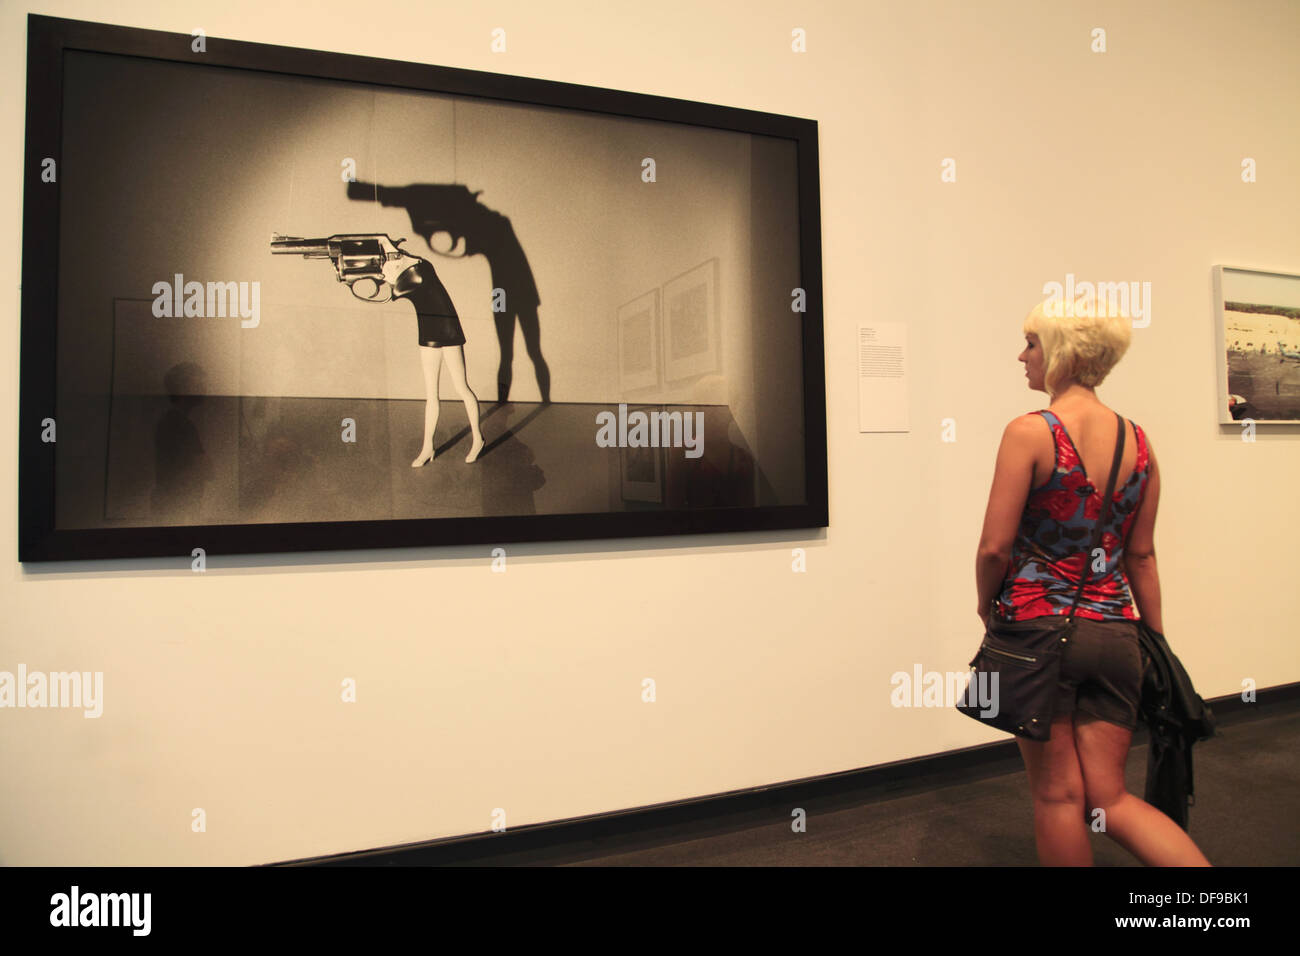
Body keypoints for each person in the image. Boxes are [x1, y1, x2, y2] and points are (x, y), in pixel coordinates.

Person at [974, 297, 1210, 866]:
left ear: (1060, 353)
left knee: (1058, 797)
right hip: (1116, 634)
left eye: (1031, 343)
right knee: (1111, 799)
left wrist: (988, 608)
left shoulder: (1030, 433)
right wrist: (1154, 641)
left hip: (1038, 631)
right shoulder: (1140, 441)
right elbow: (1143, 556)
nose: (1021, 356)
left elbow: (994, 548)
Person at [375, 251, 485, 465]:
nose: (391, 266)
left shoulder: (420, 270)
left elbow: (400, 289)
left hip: (448, 329)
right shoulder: (412, 270)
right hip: (428, 331)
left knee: (461, 387)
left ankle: (478, 439)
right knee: (431, 395)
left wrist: (386, 277)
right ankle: (427, 447)